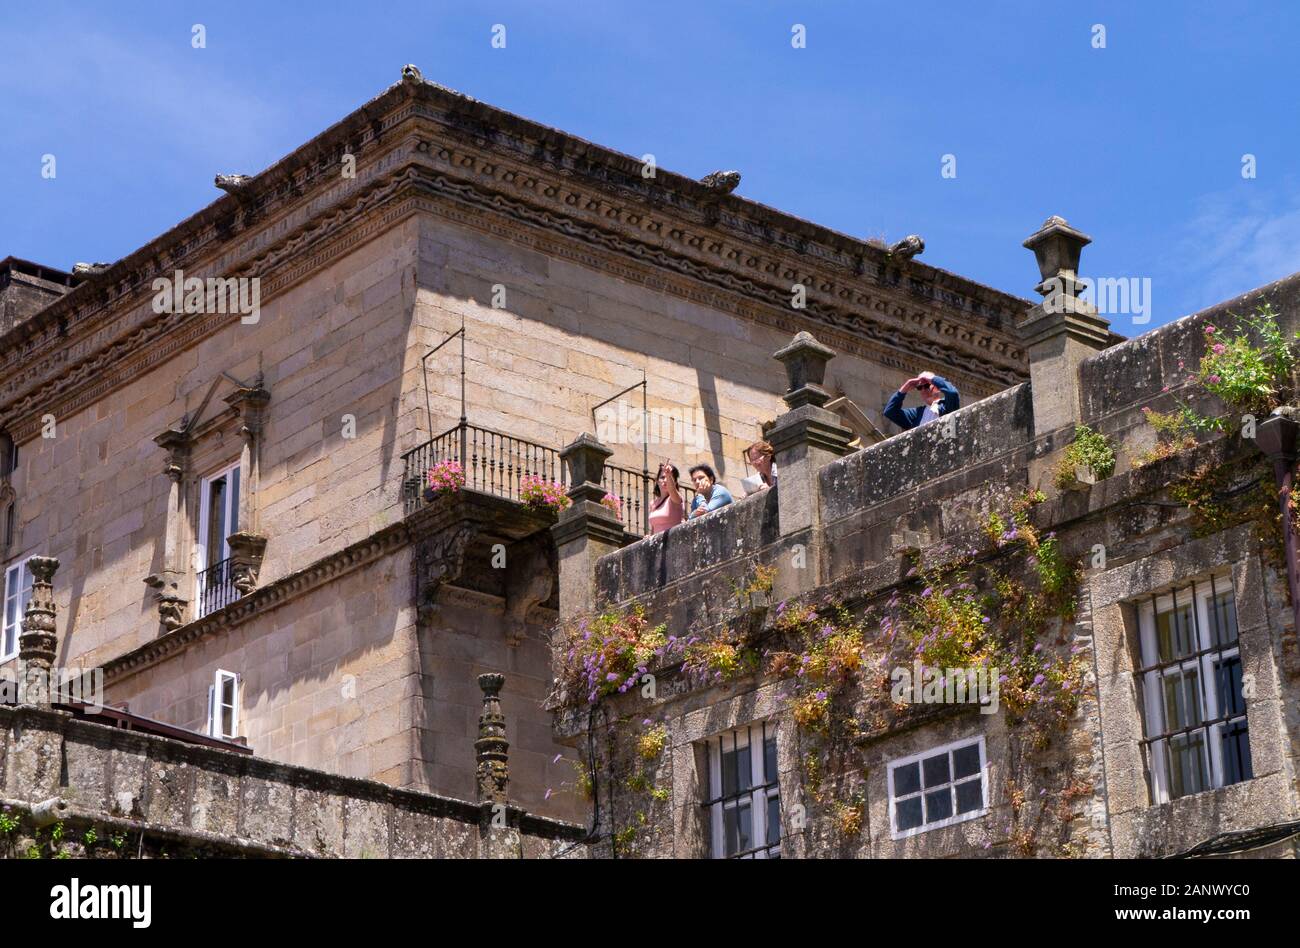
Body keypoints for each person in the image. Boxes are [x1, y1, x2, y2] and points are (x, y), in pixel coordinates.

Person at [883, 371, 960, 431]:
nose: (923, 390)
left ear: (937, 387)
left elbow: (952, 393)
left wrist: (932, 378)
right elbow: (890, 412)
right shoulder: (917, 413)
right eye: (919, 387)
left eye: (926, 386)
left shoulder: (946, 405)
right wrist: (905, 387)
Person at [648, 461, 686, 534]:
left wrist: (668, 474)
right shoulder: (653, 503)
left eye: (669, 478)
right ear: (657, 481)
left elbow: (672, 490)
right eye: (662, 477)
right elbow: (654, 528)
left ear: (674, 482)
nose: (665, 480)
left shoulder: (676, 498)